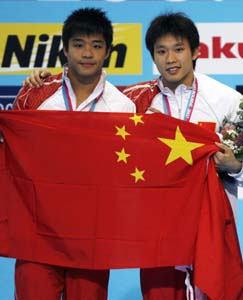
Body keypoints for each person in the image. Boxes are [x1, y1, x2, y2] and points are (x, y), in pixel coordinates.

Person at [22, 11, 243, 300]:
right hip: (157, 232)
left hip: (210, 227)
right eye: (161, 52)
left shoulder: (229, 101)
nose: (170, 59)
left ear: (196, 51)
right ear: (152, 56)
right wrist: (41, 78)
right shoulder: (136, 99)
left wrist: (236, 167)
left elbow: (238, 160)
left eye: (178, 49)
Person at [12, 7, 135, 300]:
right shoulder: (37, 94)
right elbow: (12, 156)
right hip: (37, 231)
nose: (87, 53)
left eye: (96, 45)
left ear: (108, 51)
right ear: (65, 50)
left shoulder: (123, 106)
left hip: (91, 234)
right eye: (79, 44)